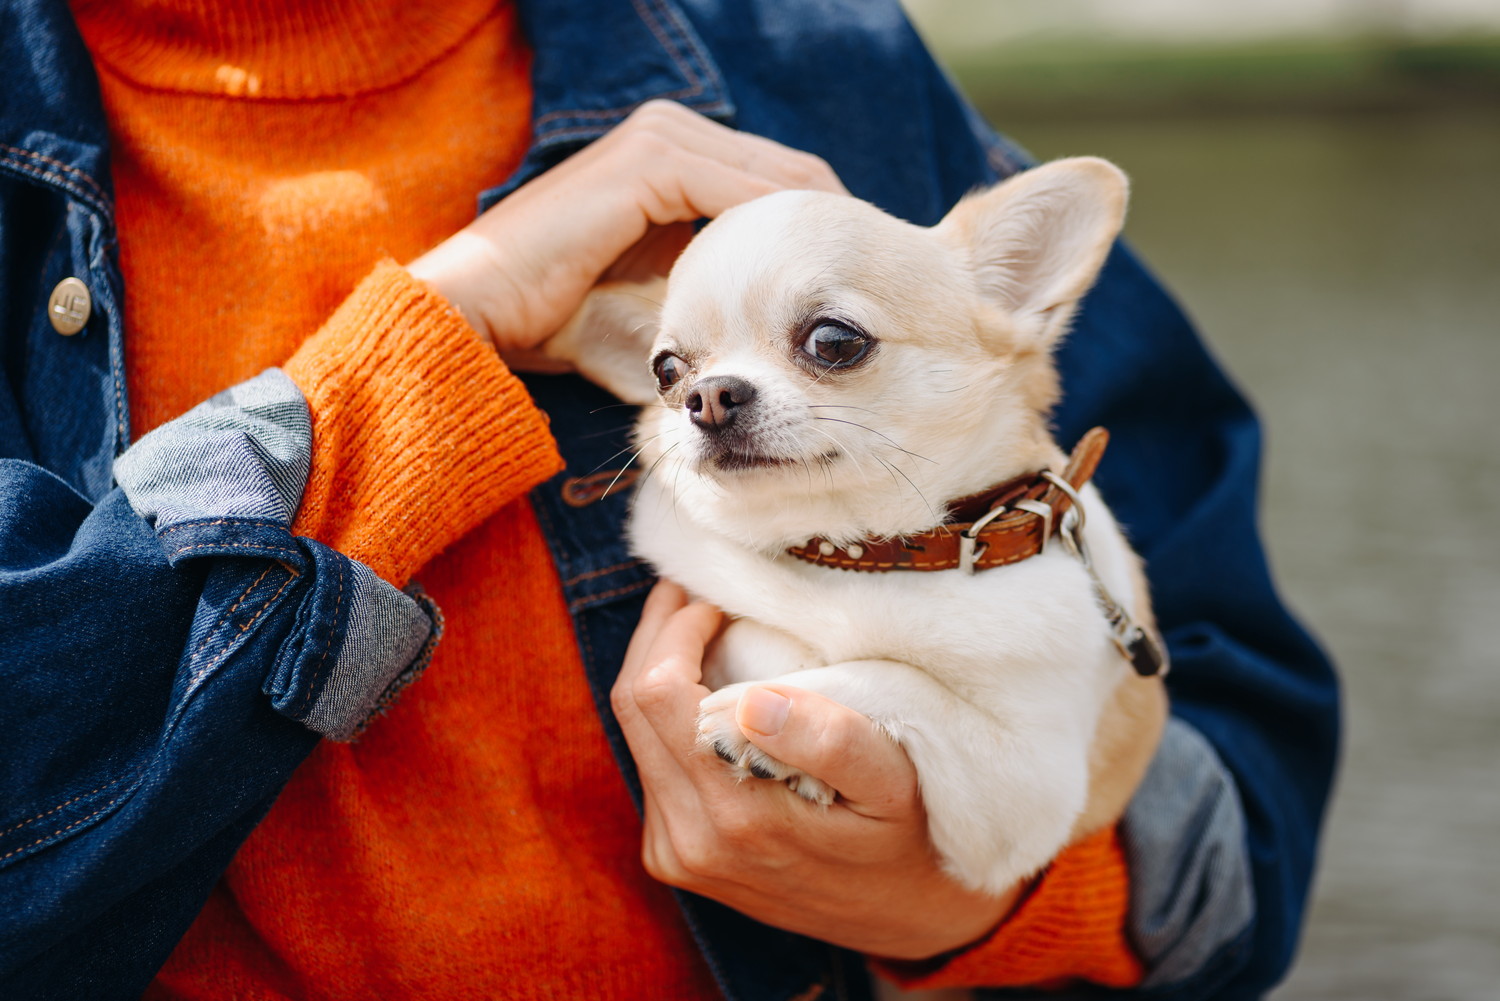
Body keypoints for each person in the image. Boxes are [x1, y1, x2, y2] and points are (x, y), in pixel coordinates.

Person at [0, 0, 1339, 998]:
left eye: (831, 342)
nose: (707, 401)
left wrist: (981, 896)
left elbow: (1236, 820)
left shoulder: (820, 57)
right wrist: (436, 344)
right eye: (673, 374)